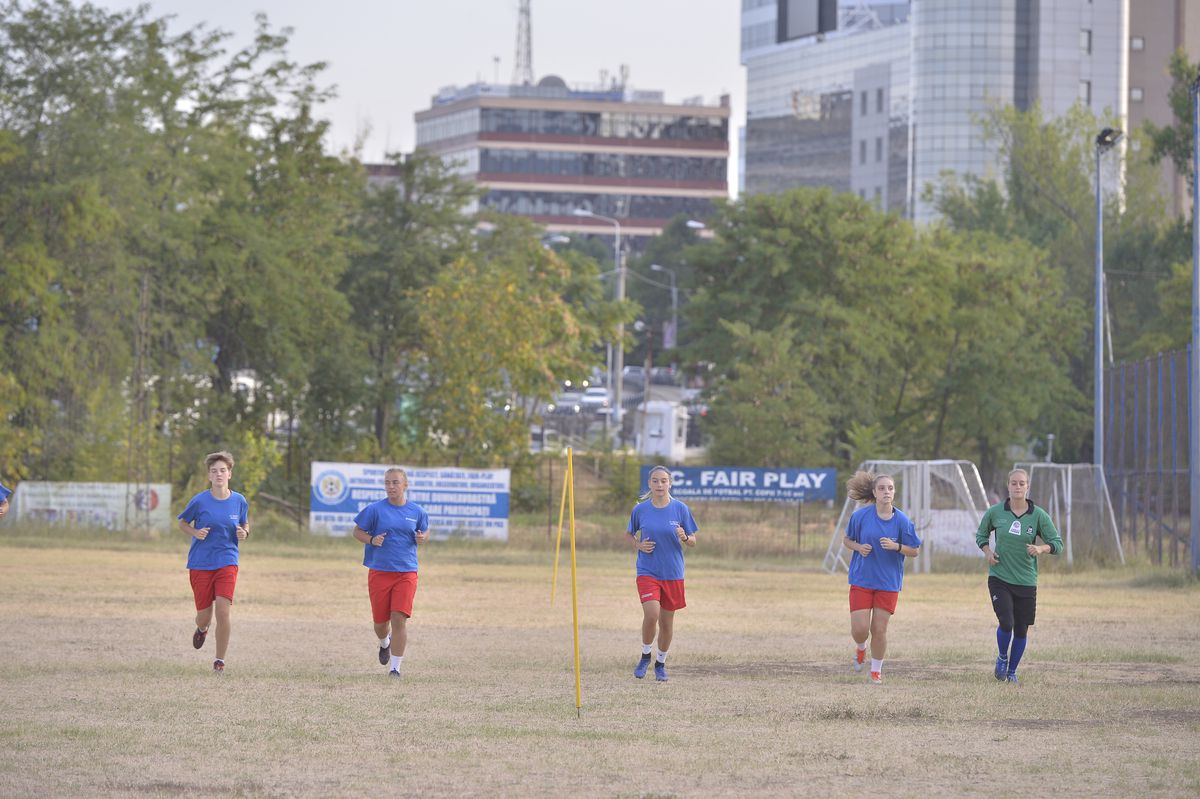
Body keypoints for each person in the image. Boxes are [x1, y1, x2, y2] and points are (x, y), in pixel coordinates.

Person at [976, 468, 1062, 684]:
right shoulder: (996, 512)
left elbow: (1057, 544)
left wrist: (1041, 549)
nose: (1017, 487)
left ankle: (1012, 672)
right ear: (1008, 486)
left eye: (1021, 483)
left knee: (1021, 629)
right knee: (1006, 622)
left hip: (1026, 580)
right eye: (1014, 483)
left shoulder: (1039, 515)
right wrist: (988, 552)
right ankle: (1002, 657)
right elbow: (981, 535)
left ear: (1027, 487)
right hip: (1000, 577)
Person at [842, 470, 920, 685]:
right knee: (860, 630)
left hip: (888, 583)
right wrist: (858, 547)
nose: (887, 492)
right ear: (875, 493)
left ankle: (876, 671)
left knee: (879, 629)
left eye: (890, 488)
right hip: (862, 579)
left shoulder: (902, 521)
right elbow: (847, 540)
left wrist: (897, 547)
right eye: (882, 488)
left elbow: (914, 550)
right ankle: (860, 648)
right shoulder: (860, 516)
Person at [351, 468, 429, 679]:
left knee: (399, 618)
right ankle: (384, 643)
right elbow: (357, 531)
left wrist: (423, 538)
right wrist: (371, 540)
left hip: (407, 572)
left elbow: (424, 530)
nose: (391, 487)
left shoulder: (417, 512)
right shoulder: (375, 510)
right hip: (380, 572)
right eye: (387, 483)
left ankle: (395, 668)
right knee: (380, 623)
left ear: (405, 485)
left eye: (395, 483)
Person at [177, 451, 249, 674]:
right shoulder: (199, 500)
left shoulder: (239, 500)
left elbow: (245, 524)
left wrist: (244, 533)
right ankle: (202, 628)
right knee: (204, 615)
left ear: (230, 473)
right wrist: (195, 532)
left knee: (223, 611)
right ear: (209, 475)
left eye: (223, 470)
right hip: (200, 563)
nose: (219, 474)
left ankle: (219, 661)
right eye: (214, 471)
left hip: (227, 560)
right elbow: (182, 522)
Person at [627, 465, 698, 683]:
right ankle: (645, 656)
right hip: (648, 571)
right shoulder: (640, 510)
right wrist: (638, 545)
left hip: (673, 573)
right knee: (652, 614)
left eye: (664, 481)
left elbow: (693, 541)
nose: (660, 485)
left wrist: (684, 537)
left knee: (667, 623)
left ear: (670, 483)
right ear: (649, 484)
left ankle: (660, 663)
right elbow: (630, 534)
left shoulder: (680, 509)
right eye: (655, 481)